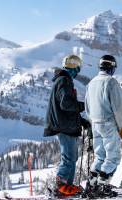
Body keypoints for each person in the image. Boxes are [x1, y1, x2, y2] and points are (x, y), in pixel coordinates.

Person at [44, 54, 89, 197]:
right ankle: (61, 186)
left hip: (67, 125)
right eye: (78, 69)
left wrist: (82, 121)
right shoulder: (64, 81)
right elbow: (66, 104)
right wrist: (85, 106)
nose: (78, 72)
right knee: (68, 157)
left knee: (72, 157)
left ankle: (67, 186)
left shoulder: (64, 80)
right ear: (74, 68)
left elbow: (68, 108)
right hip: (64, 127)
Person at [84, 55, 122, 198]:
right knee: (113, 157)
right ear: (112, 67)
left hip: (95, 123)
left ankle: (92, 184)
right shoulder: (111, 82)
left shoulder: (91, 83)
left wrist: (92, 121)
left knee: (100, 156)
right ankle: (103, 185)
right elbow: (118, 108)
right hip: (108, 122)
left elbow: (87, 106)